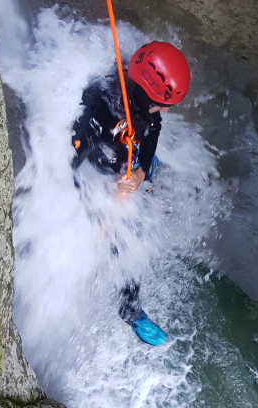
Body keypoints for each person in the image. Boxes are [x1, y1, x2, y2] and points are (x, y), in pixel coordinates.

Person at [70, 41, 190, 345]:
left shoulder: (145, 104)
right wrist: (104, 215)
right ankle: (129, 308)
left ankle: (141, 174)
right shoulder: (103, 114)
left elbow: (155, 128)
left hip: (126, 162)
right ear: (147, 93)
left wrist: (139, 173)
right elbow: (67, 161)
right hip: (100, 171)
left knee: (151, 180)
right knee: (126, 236)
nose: (164, 110)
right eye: (163, 103)